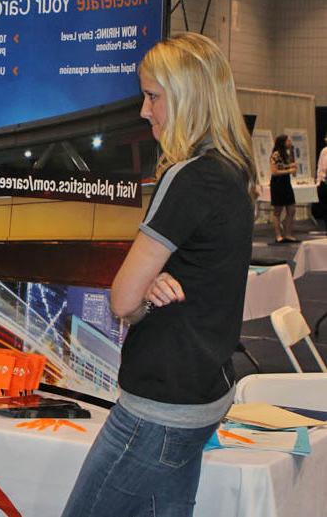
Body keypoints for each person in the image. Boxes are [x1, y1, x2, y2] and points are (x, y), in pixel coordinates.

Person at [61, 33, 256, 517]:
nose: (145, 111)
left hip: (160, 404)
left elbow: (122, 301)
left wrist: (141, 292)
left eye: (153, 96)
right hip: (204, 391)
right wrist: (152, 282)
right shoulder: (233, 171)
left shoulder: (186, 176)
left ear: (187, 98)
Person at [269, 134, 298, 243]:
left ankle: (288, 234)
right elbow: (274, 171)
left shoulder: (287, 154)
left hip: (286, 183)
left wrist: (293, 167)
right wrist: (288, 170)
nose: (290, 142)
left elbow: (291, 170)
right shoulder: (275, 155)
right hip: (278, 184)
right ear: (283, 142)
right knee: (277, 211)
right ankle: (278, 235)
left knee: (291, 209)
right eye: (288, 140)